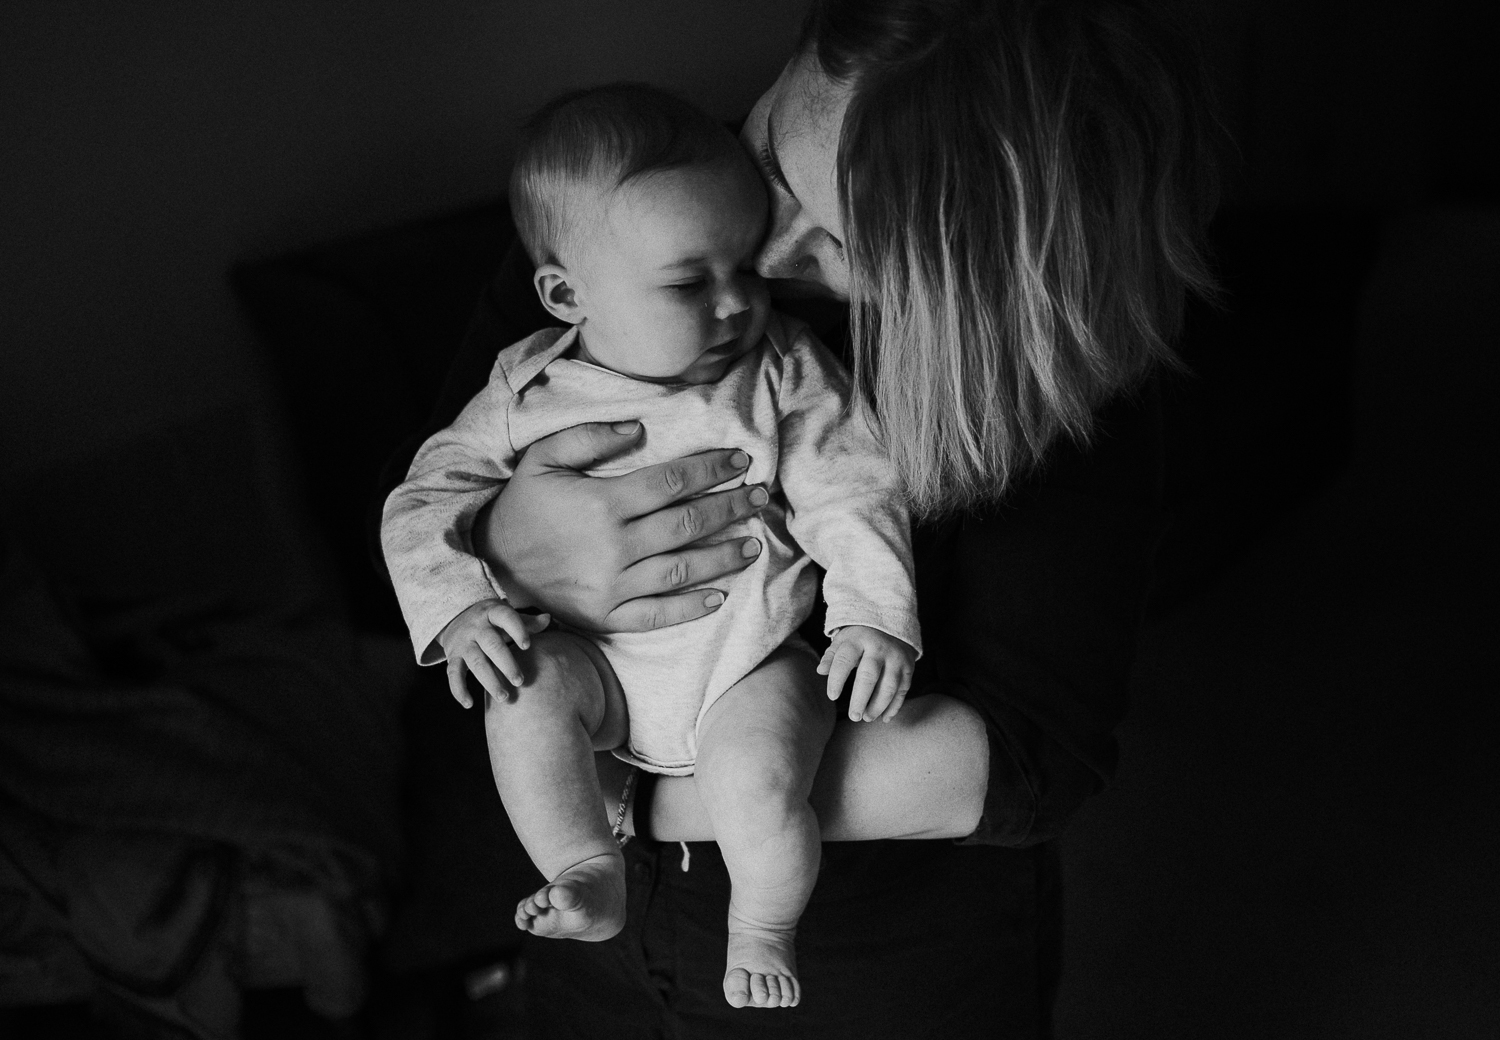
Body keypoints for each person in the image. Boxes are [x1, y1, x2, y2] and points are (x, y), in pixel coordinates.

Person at [372, 0, 1218, 1035]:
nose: (761, 252)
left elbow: (1033, 757)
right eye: (771, 150)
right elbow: (427, 498)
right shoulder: (623, 210)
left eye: (841, 245)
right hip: (592, 910)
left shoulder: (1043, 379)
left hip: (865, 942)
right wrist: (509, 553)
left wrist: (629, 795)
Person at [381, 84, 920, 1010]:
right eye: (688, 283)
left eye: (745, 267)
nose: (735, 302)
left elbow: (852, 486)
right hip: (596, 667)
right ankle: (586, 862)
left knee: (758, 779)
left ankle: (763, 924)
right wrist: (462, 604)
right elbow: (424, 500)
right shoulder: (526, 387)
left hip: (750, 659)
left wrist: (872, 615)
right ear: (567, 294)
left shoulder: (782, 367)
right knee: (525, 697)